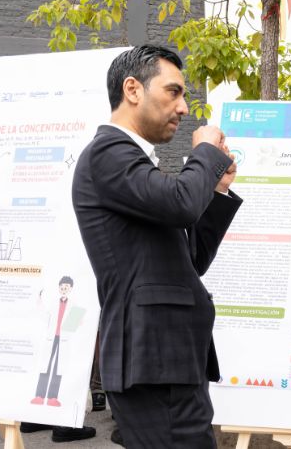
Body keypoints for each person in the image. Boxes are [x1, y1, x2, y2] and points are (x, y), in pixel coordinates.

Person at [72, 45, 240, 447]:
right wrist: (204, 153)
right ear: (133, 90)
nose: (183, 108)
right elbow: (181, 204)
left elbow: (191, 259)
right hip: (153, 361)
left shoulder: (133, 161)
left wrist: (217, 189)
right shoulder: (108, 152)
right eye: (173, 92)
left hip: (168, 361)